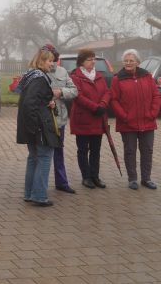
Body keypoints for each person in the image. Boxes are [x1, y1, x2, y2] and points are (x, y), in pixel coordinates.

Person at [16, 47, 61, 207]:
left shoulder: (30, 76)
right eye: (49, 61)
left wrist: (49, 103)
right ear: (41, 61)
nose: (52, 64)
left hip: (32, 126)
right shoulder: (39, 79)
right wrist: (35, 127)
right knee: (44, 158)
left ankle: (29, 194)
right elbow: (30, 104)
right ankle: (39, 196)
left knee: (34, 158)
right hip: (40, 127)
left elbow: (34, 101)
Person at [110, 49, 161, 190]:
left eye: (131, 60)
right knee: (130, 151)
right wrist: (124, 116)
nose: (128, 63)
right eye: (126, 61)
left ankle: (146, 179)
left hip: (147, 121)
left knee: (147, 151)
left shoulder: (147, 76)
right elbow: (114, 100)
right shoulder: (117, 79)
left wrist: (153, 113)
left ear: (137, 62)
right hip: (127, 123)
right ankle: (132, 179)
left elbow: (156, 95)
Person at [69, 48, 111, 190]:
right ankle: (86, 177)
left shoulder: (99, 75)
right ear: (81, 61)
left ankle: (95, 176)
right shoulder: (75, 76)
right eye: (89, 59)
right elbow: (78, 96)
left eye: (94, 59)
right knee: (83, 150)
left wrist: (103, 104)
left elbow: (107, 92)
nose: (93, 62)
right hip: (83, 118)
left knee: (95, 150)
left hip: (98, 118)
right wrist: (95, 107)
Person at [43, 44, 78, 194]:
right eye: (49, 59)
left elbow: (74, 90)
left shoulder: (63, 72)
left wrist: (61, 92)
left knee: (59, 152)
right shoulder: (36, 72)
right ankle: (40, 186)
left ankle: (62, 182)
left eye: (54, 59)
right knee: (42, 154)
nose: (51, 63)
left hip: (59, 120)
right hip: (43, 120)